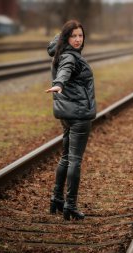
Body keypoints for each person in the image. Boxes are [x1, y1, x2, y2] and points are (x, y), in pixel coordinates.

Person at [45, 20, 96, 220]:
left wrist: (60, 84)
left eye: (80, 36)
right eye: (73, 36)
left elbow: (65, 68)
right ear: (66, 38)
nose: (77, 40)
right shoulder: (70, 57)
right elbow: (65, 70)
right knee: (75, 160)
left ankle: (57, 199)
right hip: (79, 115)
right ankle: (70, 205)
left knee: (66, 157)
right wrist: (59, 83)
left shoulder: (61, 52)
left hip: (66, 114)